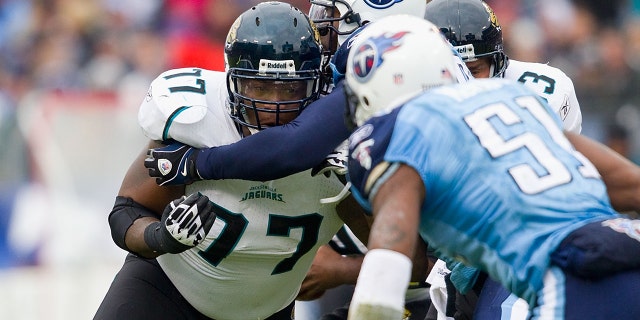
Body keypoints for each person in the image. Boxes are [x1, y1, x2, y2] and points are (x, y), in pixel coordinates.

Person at [343, 14, 640, 320]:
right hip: (626, 245)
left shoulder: (397, 134)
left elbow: (384, 280)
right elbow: (632, 185)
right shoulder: (510, 94)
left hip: (569, 276)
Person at [94, 3, 372, 320]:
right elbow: (126, 211)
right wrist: (162, 236)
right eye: (261, 87)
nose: (274, 106)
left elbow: (398, 253)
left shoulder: (341, 146)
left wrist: (344, 269)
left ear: (316, 83)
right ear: (232, 80)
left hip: (266, 311)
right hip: (165, 292)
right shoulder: (198, 119)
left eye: (291, 88)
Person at [422, 1, 583, 318]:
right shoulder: (410, 100)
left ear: (498, 63)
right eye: (448, 73)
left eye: (472, 71)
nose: (462, 84)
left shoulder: (541, 89)